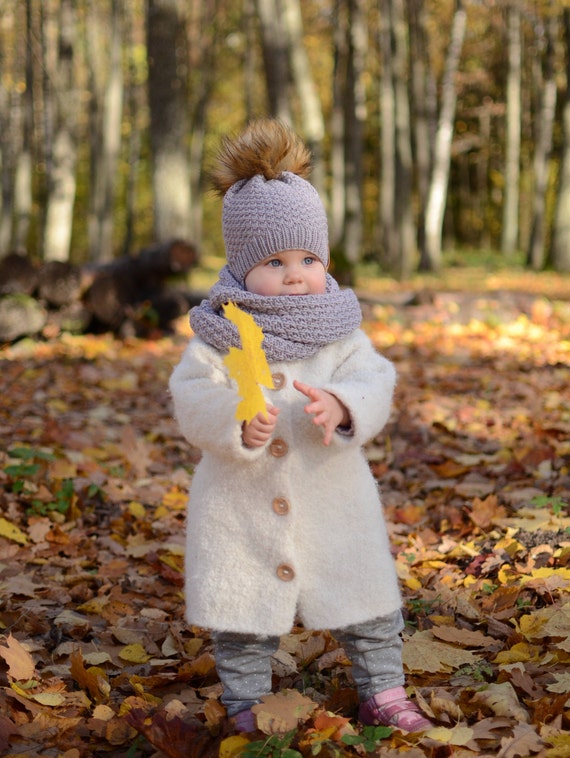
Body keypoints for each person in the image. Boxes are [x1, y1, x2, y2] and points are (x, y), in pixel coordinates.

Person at [169, 118, 433, 734]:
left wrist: (344, 406)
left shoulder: (340, 327)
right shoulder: (220, 333)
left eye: (309, 257)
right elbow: (192, 394)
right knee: (243, 614)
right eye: (275, 261)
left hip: (333, 499)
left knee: (368, 604)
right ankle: (244, 703)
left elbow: (375, 378)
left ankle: (383, 690)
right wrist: (235, 420)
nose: (295, 274)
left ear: (327, 259)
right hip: (241, 505)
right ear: (239, 269)